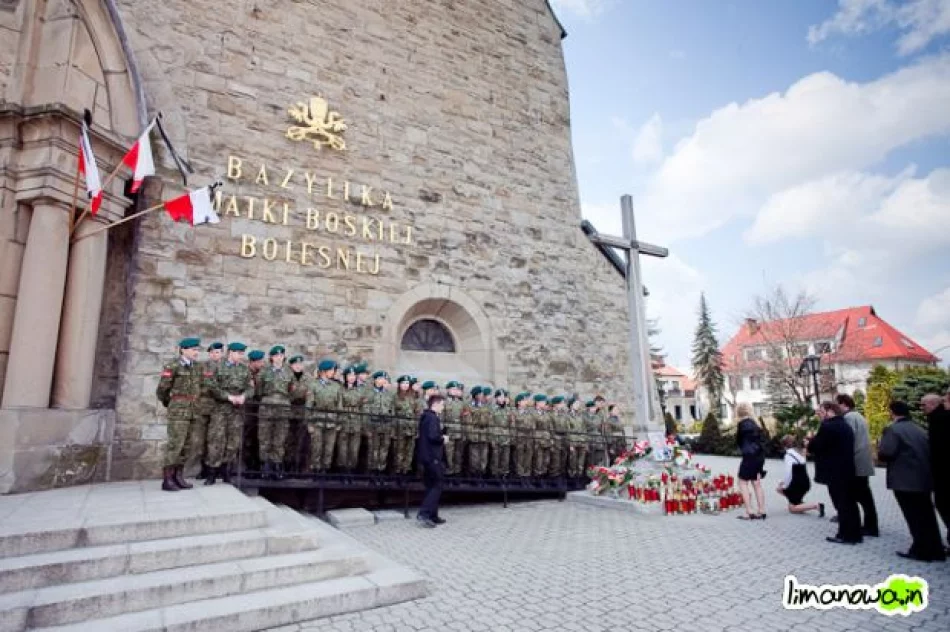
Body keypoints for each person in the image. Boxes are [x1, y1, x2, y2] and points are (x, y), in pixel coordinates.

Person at [879, 400, 945, 561]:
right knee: (927, 515)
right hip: (923, 479)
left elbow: (886, 453)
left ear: (892, 412)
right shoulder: (919, 428)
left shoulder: (893, 429)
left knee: (914, 517)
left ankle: (921, 550)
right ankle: (936, 549)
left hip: (905, 481)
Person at [808, 402, 861, 544]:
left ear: (829, 411)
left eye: (820, 411)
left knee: (841, 504)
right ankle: (855, 533)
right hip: (848, 470)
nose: (819, 414)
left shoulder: (828, 426)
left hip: (834, 472)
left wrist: (811, 440)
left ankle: (845, 535)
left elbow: (816, 446)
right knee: (850, 503)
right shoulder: (845, 425)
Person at [155, 337, 203, 491]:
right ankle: (167, 479)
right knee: (176, 444)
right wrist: (170, 404)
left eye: (197, 349)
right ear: (183, 350)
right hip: (178, 410)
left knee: (187, 446)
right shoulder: (173, 365)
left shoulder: (197, 367)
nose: (196, 352)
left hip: (192, 410)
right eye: (193, 349)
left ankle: (178, 476)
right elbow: (162, 389)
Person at [204, 342, 254, 485]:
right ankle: (212, 472)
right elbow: (211, 386)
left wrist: (244, 396)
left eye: (242, 353)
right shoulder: (218, 367)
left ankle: (226, 470)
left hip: (237, 411)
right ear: (230, 353)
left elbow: (251, 388)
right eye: (238, 353)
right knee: (216, 440)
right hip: (220, 409)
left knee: (233, 441)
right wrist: (228, 397)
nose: (240, 356)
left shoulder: (245, 370)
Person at [836, 394, 879, 537]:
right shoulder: (859, 416)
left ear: (843, 404)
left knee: (859, 496)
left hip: (856, 462)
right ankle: (871, 525)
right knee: (866, 496)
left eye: (837, 405)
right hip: (864, 461)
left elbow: (847, 440)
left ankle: (869, 527)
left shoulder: (849, 418)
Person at [922, 393, 950, 553]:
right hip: (941, 472)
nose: (921, 408)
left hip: (943, 474)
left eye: (945, 401)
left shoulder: (940, 420)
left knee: (944, 505)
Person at [417, 394, 448, 528]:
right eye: (442, 404)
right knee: (437, 484)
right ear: (435, 404)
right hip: (433, 457)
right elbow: (433, 436)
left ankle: (432, 515)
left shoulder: (426, 416)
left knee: (431, 485)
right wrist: (443, 439)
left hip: (426, 456)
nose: (443, 407)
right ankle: (424, 513)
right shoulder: (432, 417)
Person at [775, 435, 824, 516]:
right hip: (805, 483)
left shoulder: (788, 456)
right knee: (781, 489)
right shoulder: (800, 452)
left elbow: (789, 473)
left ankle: (816, 506)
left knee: (791, 508)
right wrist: (783, 483)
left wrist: (784, 485)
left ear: (784, 446)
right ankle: (799, 503)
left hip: (796, 484)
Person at [735, 403, 767, 520]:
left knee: (742, 482)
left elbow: (739, 441)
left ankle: (749, 511)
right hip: (759, 457)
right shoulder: (756, 424)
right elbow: (763, 440)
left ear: (739, 412)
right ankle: (762, 510)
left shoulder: (742, 424)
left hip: (749, 456)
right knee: (757, 483)